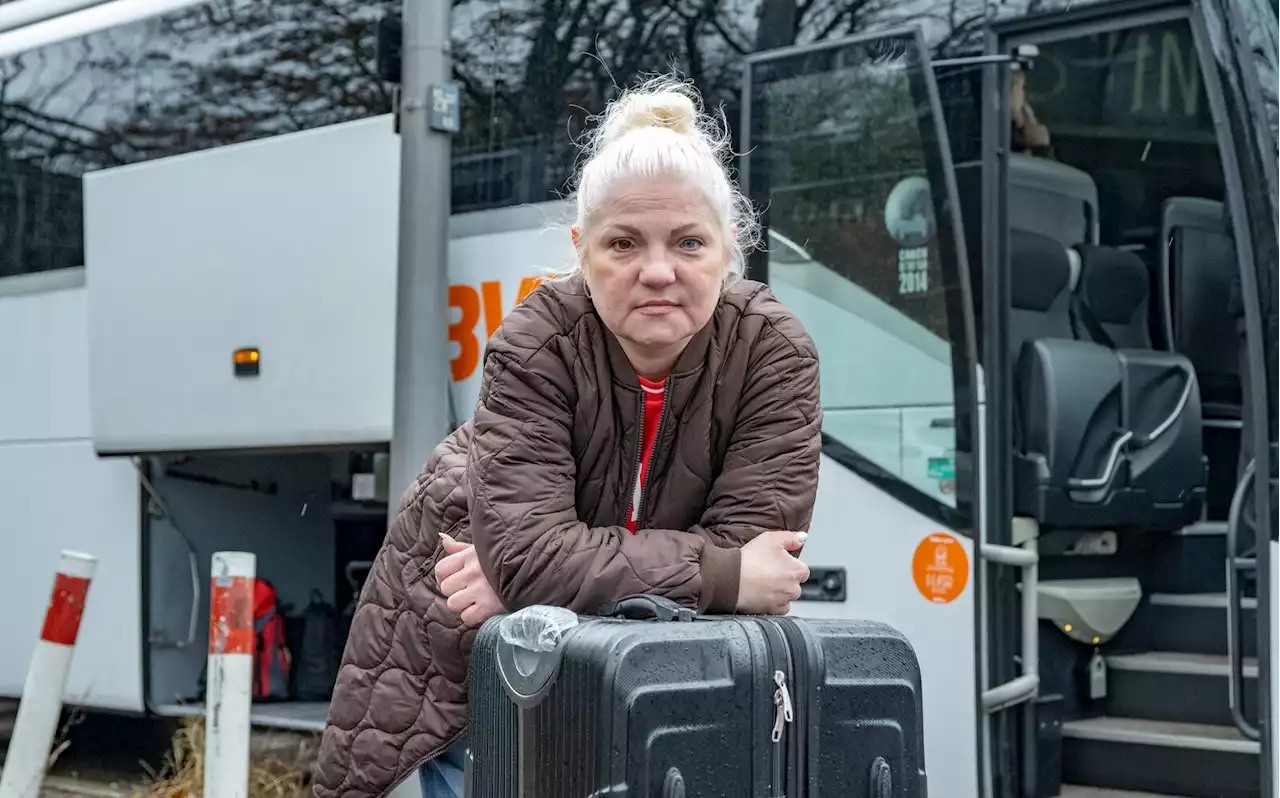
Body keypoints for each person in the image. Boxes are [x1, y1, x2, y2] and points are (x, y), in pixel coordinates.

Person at [311, 75, 821, 798]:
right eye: (623, 243)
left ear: (729, 246)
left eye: (688, 242)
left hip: (615, 659)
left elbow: (754, 561)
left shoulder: (774, 353)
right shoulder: (533, 342)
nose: (657, 272)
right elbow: (726, 572)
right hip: (471, 661)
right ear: (582, 251)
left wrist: (536, 588)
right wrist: (715, 575)